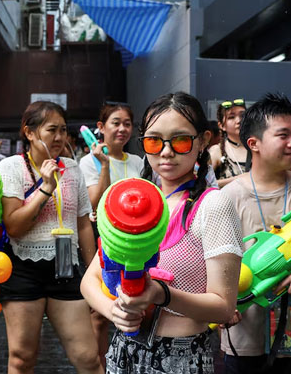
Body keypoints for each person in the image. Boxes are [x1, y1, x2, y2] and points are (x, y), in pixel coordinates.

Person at [80, 91, 243, 374]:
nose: (166, 152)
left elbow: (223, 308)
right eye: (154, 141)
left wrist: (161, 294)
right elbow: (89, 280)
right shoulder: (130, 202)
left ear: (203, 141)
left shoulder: (213, 205)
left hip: (181, 357)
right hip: (123, 352)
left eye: (180, 140)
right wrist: (113, 312)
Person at [0, 101, 101, 374]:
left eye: (63, 130)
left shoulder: (72, 168)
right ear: (30, 133)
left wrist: (94, 274)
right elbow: (14, 226)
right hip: (22, 269)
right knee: (22, 358)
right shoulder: (11, 166)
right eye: (52, 130)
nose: (59, 137)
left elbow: (83, 224)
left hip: (66, 267)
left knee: (88, 357)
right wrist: (46, 188)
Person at [219, 93, 291, 373]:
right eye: (283, 135)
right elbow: (212, 265)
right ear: (254, 144)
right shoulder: (228, 198)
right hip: (244, 340)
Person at [77, 102, 143, 369]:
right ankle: (102, 368)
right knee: (99, 313)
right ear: (101, 127)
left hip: (135, 241)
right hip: (104, 238)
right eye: (116, 123)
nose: (122, 129)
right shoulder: (88, 162)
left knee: (134, 304)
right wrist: (104, 165)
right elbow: (94, 203)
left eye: (127, 124)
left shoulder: (138, 161)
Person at [209, 99, 248, 188]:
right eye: (231, 117)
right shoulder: (217, 151)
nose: (239, 120)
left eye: (242, 115)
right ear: (222, 126)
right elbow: (203, 184)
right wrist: (237, 179)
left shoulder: (257, 148)